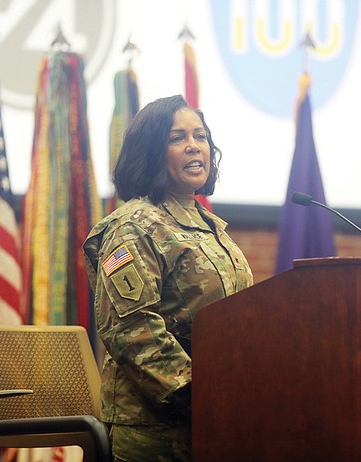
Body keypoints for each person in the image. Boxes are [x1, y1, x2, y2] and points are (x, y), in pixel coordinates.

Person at [83, 95, 253, 461]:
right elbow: (132, 331)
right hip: (156, 431)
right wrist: (205, 397)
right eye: (177, 138)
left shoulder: (210, 226)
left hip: (219, 420)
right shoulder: (133, 226)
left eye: (200, 136)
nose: (194, 146)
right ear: (151, 151)